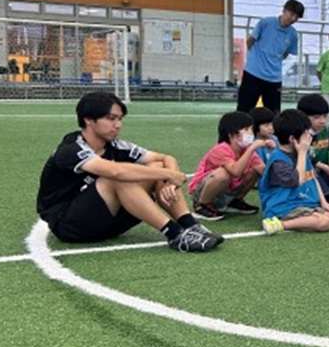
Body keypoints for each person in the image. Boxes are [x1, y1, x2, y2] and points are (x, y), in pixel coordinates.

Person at [36, 92, 222, 252]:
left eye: (120, 119)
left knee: (157, 166)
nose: (118, 125)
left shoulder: (116, 145)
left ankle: (191, 226)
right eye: (111, 118)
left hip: (108, 222)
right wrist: (168, 175)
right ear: (89, 120)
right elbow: (115, 172)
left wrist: (171, 179)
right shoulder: (71, 149)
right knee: (116, 177)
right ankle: (175, 235)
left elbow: (166, 158)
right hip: (70, 225)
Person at [258, 109, 329, 235]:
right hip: (283, 207)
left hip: (304, 204)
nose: (309, 138)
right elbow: (297, 180)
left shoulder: (300, 153)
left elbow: (313, 178)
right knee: (324, 222)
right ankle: (279, 224)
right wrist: (303, 152)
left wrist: (324, 203)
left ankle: (305, 219)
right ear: (292, 139)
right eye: (305, 135)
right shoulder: (278, 160)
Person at [188, 111, 271, 221]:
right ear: (232, 134)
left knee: (254, 170)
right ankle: (202, 205)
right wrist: (251, 148)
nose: (251, 133)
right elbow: (235, 171)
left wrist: (276, 154)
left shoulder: (246, 150)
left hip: (226, 190)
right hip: (203, 191)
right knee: (223, 174)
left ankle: (234, 202)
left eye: (251, 129)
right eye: (246, 129)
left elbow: (263, 170)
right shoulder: (221, 149)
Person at [236, 0, 304, 113]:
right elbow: (250, 41)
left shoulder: (293, 34)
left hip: (274, 79)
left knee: (274, 114)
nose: (293, 19)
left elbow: (286, 53)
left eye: (297, 17)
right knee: (244, 111)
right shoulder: (265, 23)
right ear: (284, 10)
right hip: (253, 74)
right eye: (292, 14)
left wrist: (274, 60)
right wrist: (255, 59)